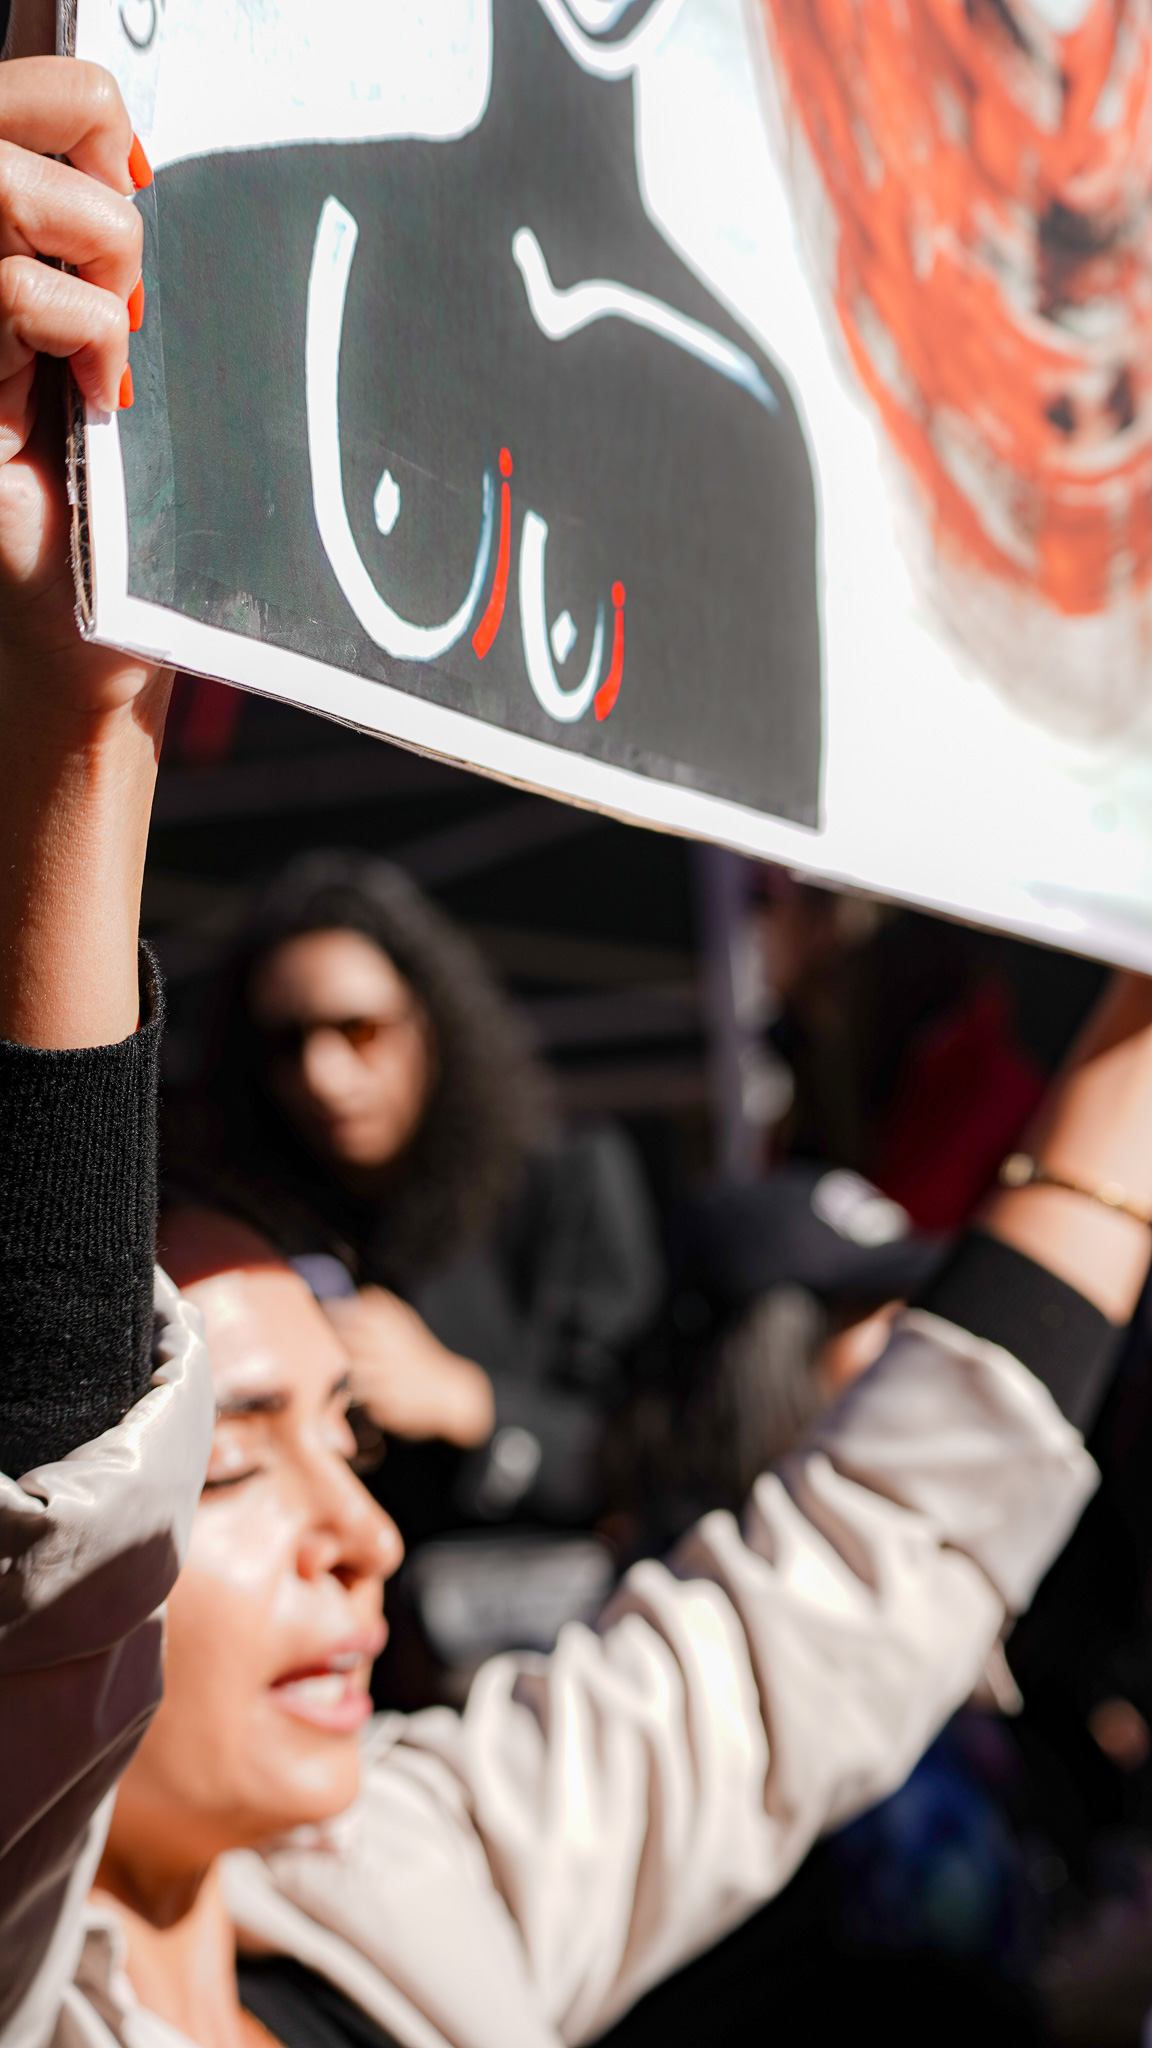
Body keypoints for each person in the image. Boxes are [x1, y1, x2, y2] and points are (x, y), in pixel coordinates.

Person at [3, 25, 1152, 2048]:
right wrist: (70, 738)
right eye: (235, 1455)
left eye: (335, 1435)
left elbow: (861, 1567)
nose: (358, 1531)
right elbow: (55, 1485)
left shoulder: (419, 1907)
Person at [171, 850, 664, 1541]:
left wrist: (467, 1399)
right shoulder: (245, 1214)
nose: (324, 1074)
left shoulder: (565, 1181)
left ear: (430, 1023)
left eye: (360, 1030)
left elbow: (639, 1450)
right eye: (288, 1043)